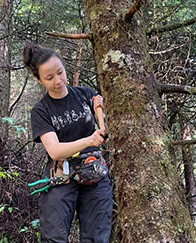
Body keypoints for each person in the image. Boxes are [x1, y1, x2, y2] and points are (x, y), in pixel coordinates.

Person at [23, 43, 113, 243]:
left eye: (60, 72)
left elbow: (104, 128)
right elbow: (55, 151)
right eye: (49, 78)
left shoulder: (85, 94)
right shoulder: (41, 110)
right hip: (61, 176)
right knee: (54, 237)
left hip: (95, 173)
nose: (58, 81)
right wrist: (89, 140)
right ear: (39, 80)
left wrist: (101, 111)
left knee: (97, 237)